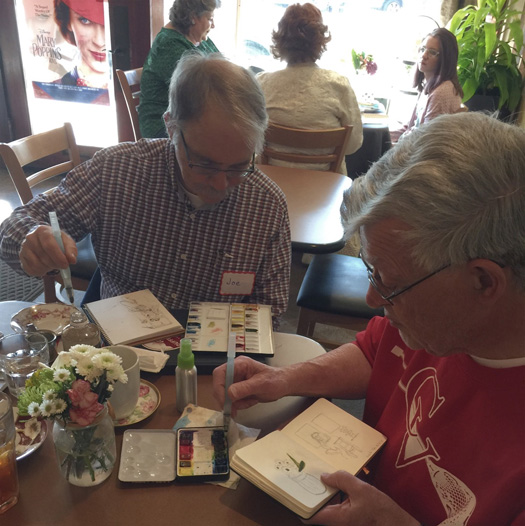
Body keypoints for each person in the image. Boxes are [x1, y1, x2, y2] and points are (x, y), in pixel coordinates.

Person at [213, 112, 525, 525]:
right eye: (371, 270)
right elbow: (374, 351)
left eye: (391, 282)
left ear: (484, 281)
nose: (373, 296)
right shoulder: (433, 324)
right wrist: (281, 379)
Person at [0, 53, 291, 326]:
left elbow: (270, 311)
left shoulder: (267, 204)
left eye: (238, 167)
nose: (220, 184)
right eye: (203, 164)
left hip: (214, 355)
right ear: (171, 128)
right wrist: (30, 240)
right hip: (118, 349)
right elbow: (15, 225)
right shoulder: (116, 171)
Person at [256, 3, 362, 174]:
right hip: (325, 189)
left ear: (280, 40)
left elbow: (249, 138)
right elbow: (353, 144)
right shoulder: (339, 85)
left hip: (270, 183)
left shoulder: (262, 84)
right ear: (320, 41)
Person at [139, 0, 220, 139]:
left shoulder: (199, 39)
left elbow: (223, 67)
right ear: (193, 17)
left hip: (189, 117)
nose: (213, 25)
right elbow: (197, 91)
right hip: (164, 125)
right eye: (210, 19)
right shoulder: (168, 44)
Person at [392, 27, 463, 142]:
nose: (424, 55)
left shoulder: (442, 92)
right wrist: (386, 135)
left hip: (422, 155)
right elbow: (411, 127)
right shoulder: (429, 85)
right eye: (422, 49)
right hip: (412, 149)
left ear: (445, 59)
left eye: (432, 52)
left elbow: (425, 140)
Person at [53, 0, 108, 89]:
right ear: (68, 21)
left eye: (109, 21)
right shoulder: (52, 92)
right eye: (85, 20)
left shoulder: (135, 83)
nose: (99, 42)